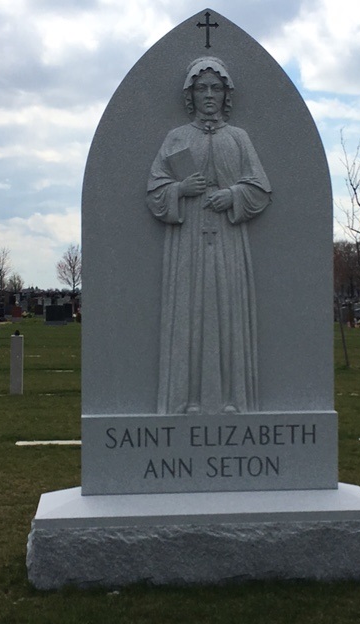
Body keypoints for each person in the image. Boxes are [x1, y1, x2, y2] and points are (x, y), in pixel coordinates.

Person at [147, 57, 271, 415]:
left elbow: (260, 189)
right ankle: (185, 401)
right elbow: (155, 190)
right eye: (201, 87)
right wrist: (181, 189)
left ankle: (234, 400)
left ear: (226, 94)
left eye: (216, 87)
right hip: (187, 244)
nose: (209, 95)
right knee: (189, 317)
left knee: (229, 316)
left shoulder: (239, 138)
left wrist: (233, 195)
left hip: (230, 243)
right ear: (191, 94)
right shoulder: (177, 138)